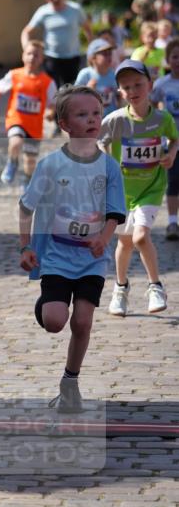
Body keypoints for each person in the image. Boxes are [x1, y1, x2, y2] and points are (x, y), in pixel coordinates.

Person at [19, 86, 126, 413]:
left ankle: (70, 383)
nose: (92, 119)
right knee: (54, 321)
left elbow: (115, 213)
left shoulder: (109, 167)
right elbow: (26, 208)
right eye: (82, 115)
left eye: (96, 113)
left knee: (82, 323)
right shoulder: (51, 165)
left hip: (91, 259)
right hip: (56, 255)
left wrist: (104, 238)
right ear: (65, 124)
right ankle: (47, 303)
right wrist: (25, 247)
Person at [100, 59, 178, 316]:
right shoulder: (115, 120)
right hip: (121, 192)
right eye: (126, 87)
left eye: (138, 85)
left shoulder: (162, 118)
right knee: (124, 242)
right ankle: (120, 288)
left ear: (150, 85)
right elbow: (99, 142)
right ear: (119, 92)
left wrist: (171, 154)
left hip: (151, 188)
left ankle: (155, 286)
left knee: (140, 236)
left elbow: (174, 139)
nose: (133, 91)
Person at [0, 40, 56, 191]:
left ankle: (27, 179)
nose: (32, 57)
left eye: (36, 55)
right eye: (29, 54)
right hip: (16, 120)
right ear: (23, 56)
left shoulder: (47, 82)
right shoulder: (15, 75)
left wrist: (50, 112)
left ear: (42, 59)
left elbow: (53, 102)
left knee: (30, 161)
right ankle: (12, 162)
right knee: (15, 142)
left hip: (34, 127)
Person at [21, 0, 91, 88]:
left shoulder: (75, 9)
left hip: (72, 57)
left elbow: (87, 29)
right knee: (52, 88)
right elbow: (26, 32)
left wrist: (91, 50)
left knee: (71, 88)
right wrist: (27, 48)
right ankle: (55, 104)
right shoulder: (43, 12)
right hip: (51, 57)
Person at [151, 38, 179, 239]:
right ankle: (172, 223)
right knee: (173, 181)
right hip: (171, 142)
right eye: (175, 57)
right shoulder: (162, 84)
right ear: (168, 60)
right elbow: (150, 108)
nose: (178, 60)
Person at [74, 38, 120, 113]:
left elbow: (118, 96)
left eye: (110, 53)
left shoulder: (114, 74)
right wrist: (87, 90)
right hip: (91, 118)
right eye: (105, 54)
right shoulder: (85, 74)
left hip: (110, 118)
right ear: (93, 58)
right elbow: (74, 97)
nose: (109, 56)